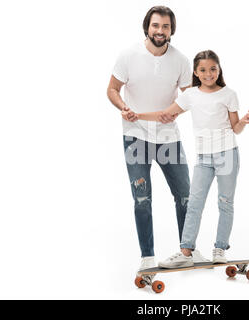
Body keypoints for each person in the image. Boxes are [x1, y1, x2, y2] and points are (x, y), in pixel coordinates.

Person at [106, 6, 208, 275]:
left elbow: (190, 96)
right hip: (135, 136)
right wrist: (122, 107)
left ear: (171, 30)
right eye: (155, 26)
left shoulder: (181, 61)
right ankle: (147, 256)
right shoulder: (128, 55)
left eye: (165, 26)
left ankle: (189, 249)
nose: (160, 31)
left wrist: (175, 110)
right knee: (142, 199)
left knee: (185, 196)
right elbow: (113, 89)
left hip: (168, 138)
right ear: (147, 27)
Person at [132, 50, 249, 268]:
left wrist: (244, 120)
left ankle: (220, 248)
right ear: (196, 72)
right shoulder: (190, 95)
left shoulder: (229, 94)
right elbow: (164, 115)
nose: (209, 74)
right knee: (194, 203)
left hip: (227, 154)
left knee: (225, 202)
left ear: (219, 69)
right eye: (203, 70)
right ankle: (186, 251)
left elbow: (236, 128)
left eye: (213, 69)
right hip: (204, 158)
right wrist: (137, 115)